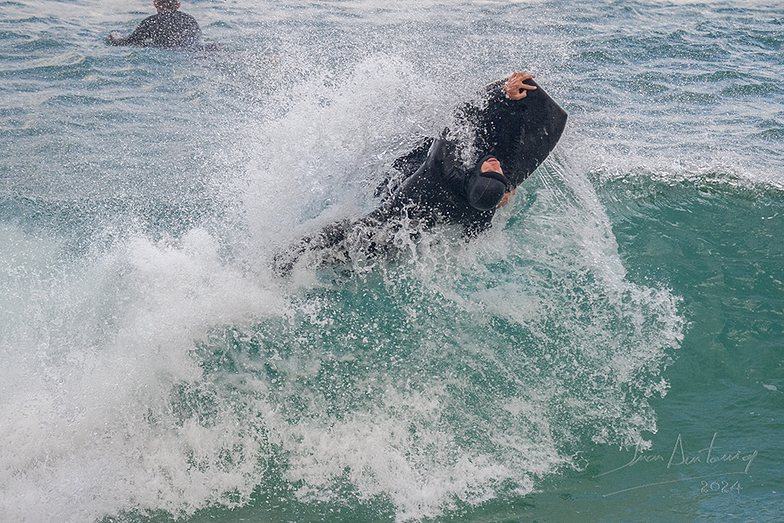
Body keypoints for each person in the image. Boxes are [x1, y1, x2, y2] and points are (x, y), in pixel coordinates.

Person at [273, 72, 568, 276]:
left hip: (369, 231)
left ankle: (272, 269)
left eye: (493, 169)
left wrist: (500, 93)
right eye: (499, 170)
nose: (498, 164)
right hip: (401, 242)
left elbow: (459, 117)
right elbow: (473, 238)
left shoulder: (442, 165)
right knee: (340, 263)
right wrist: (498, 200)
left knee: (313, 251)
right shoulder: (478, 214)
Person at [107, 0, 202, 49]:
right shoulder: (190, 19)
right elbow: (198, 40)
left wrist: (115, 36)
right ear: (178, 5)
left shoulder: (150, 22)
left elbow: (129, 42)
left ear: (155, 3)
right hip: (191, 50)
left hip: (169, 52)